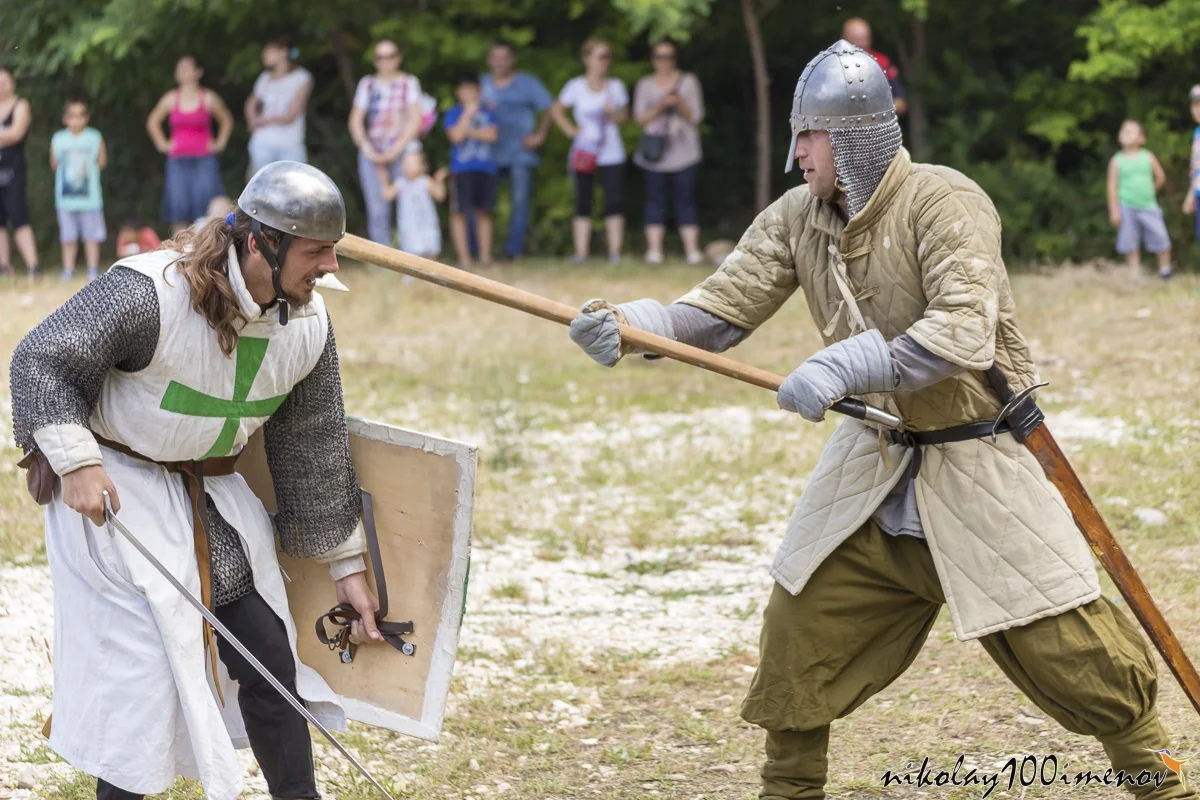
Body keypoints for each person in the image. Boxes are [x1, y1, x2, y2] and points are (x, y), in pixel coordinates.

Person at [567, 40, 1196, 800]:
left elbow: (964, 330)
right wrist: (637, 325)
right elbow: (718, 312)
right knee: (798, 631)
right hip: (877, 463)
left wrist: (844, 364)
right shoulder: (799, 215)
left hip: (977, 463)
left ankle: (1165, 787)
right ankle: (789, 790)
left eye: (811, 135)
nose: (797, 153)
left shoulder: (944, 200)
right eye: (797, 134)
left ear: (857, 136)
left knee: (1086, 659)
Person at [10, 161, 385, 800]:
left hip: (207, 499)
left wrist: (349, 565)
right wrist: (75, 460)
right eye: (317, 251)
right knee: (141, 682)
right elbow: (42, 359)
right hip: (119, 498)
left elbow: (311, 450)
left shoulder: (307, 326)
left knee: (268, 655)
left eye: (334, 250)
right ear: (261, 240)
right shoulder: (151, 291)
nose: (331, 267)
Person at [548, 38, 629, 263]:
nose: (605, 61)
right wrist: (571, 131)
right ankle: (581, 253)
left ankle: (615, 253)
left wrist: (612, 112)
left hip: (612, 152)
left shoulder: (616, 87)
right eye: (600, 56)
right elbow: (556, 110)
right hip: (584, 152)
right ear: (587, 58)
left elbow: (624, 118)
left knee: (613, 201)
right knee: (582, 200)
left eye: (608, 56)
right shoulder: (575, 86)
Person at [632, 36, 705, 265]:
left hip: (685, 153)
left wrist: (678, 103)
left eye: (669, 56)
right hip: (654, 153)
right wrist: (661, 105)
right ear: (652, 59)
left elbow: (696, 116)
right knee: (655, 200)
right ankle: (654, 251)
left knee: (686, 200)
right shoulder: (645, 84)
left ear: (675, 58)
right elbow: (640, 119)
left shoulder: (689, 81)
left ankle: (692, 251)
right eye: (659, 56)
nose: (664, 61)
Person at [480, 39, 554, 260]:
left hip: (520, 153)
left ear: (513, 60)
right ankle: (481, 252)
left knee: (520, 202)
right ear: (489, 60)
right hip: (487, 154)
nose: (500, 62)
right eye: (496, 57)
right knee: (483, 203)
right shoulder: (481, 84)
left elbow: (549, 108)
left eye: (505, 57)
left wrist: (540, 135)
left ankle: (513, 251)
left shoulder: (527, 83)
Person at [348, 39, 424, 246]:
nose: (385, 61)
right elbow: (355, 119)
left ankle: (411, 254)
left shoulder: (409, 82)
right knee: (377, 207)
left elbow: (415, 118)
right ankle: (382, 259)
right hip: (372, 152)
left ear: (398, 58)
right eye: (380, 57)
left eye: (390, 56)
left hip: (404, 152)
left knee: (409, 204)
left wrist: (396, 148)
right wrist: (367, 149)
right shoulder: (368, 84)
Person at [145, 55, 234, 231]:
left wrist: (219, 142)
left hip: (204, 159)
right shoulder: (171, 98)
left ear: (198, 72)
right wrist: (162, 143)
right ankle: (180, 252)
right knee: (179, 208)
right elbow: (153, 121)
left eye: (186, 67)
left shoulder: (207, 97)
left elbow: (226, 119)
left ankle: (208, 249)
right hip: (178, 160)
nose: (182, 71)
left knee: (208, 206)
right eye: (179, 68)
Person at [445, 74, 499, 268]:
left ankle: (485, 256)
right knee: (460, 213)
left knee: (484, 212)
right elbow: (456, 137)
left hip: (486, 169)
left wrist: (468, 131)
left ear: (479, 91)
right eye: (464, 89)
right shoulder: (453, 113)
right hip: (461, 170)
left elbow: (492, 136)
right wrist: (468, 115)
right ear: (458, 93)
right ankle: (464, 258)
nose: (468, 94)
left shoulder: (489, 113)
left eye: (472, 89)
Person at [51, 98, 107, 282]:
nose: (76, 119)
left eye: (80, 115)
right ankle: (68, 269)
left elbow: (101, 162)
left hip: (90, 198)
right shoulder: (58, 139)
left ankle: (93, 269)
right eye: (71, 115)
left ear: (87, 118)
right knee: (68, 237)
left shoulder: (95, 137)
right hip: (66, 199)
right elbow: (54, 164)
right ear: (65, 118)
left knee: (91, 236)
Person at [1107, 119, 1172, 280]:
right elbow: (1111, 187)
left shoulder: (1148, 157)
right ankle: (1135, 275)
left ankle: (1165, 271)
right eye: (1123, 130)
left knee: (1160, 237)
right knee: (1130, 242)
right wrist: (1114, 210)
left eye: (1131, 131)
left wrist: (1152, 189)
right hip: (1126, 207)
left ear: (1142, 138)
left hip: (1149, 205)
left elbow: (1161, 176)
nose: (1126, 133)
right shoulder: (1116, 161)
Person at [244, 36, 313, 173]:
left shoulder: (302, 77)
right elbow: (250, 103)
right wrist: (251, 118)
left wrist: (262, 120)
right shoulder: (264, 78)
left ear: (283, 52)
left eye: (269, 51)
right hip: (262, 143)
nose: (264, 55)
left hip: (290, 145)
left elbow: (291, 114)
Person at [0, 65, 39, 278]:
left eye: (4, 81)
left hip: (14, 170)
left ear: (12, 82)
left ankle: (33, 266)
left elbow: (16, 133)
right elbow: (10, 133)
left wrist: (7, 134)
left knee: (19, 217)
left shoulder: (20, 104)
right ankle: (4, 267)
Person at [379, 150, 448, 259]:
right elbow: (387, 196)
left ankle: (431, 271)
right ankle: (409, 274)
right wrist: (384, 180)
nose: (408, 167)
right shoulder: (400, 183)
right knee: (410, 249)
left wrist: (439, 181)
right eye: (405, 164)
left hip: (426, 223)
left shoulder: (425, 182)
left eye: (412, 164)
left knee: (430, 247)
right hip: (409, 225)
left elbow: (440, 196)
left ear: (422, 166)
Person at [842, 17, 907, 116]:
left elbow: (900, 103)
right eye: (856, 39)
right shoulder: (832, 66)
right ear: (844, 39)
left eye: (864, 39)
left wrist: (875, 109)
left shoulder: (882, 63)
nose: (861, 44)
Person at [1183, 85, 1200, 254]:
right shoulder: (1197, 133)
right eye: (1194, 105)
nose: (1197, 109)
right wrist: (1191, 194)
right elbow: (1196, 168)